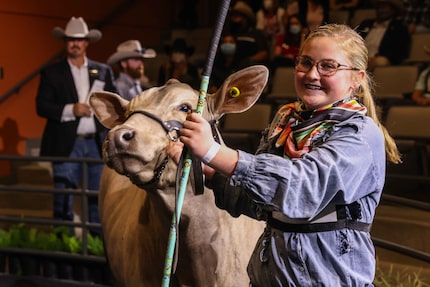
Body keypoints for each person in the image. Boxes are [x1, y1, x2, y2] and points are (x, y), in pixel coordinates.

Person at [170, 23, 401, 285]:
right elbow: (261, 203)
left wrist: (214, 151)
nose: (313, 74)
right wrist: (210, 171)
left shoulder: (359, 134)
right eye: (305, 63)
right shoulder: (287, 123)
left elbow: (303, 188)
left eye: (328, 66)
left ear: (356, 79)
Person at [36, 17, 118, 235]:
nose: (75, 43)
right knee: (63, 195)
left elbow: (115, 101)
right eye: (71, 39)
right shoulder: (52, 72)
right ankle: (63, 244)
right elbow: (41, 106)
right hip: (67, 144)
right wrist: (71, 109)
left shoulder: (103, 71)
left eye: (79, 39)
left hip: (96, 142)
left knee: (97, 196)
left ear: (86, 43)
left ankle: (96, 245)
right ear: (65, 42)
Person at [357, 0, 411, 71]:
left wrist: (375, 59)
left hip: (380, 58)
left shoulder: (399, 27)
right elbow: (354, 40)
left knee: (381, 61)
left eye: (384, 6)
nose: (380, 9)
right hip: (359, 56)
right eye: (379, 6)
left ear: (393, 10)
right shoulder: (366, 23)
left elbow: (399, 51)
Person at [228, 1, 270, 67]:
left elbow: (263, 54)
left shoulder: (256, 34)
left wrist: (248, 60)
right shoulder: (231, 35)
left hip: (251, 66)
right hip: (233, 68)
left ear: (245, 19)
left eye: (236, 17)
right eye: (232, 17)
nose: (233, 19)